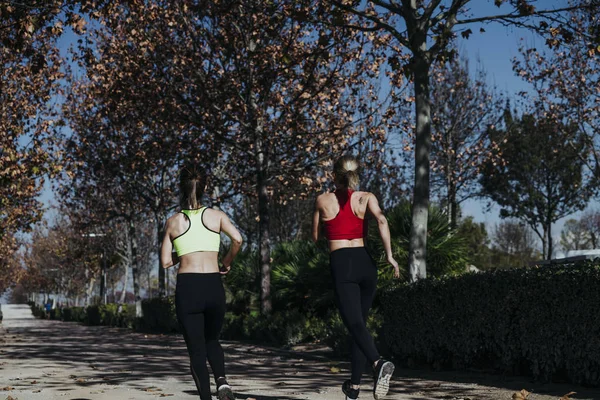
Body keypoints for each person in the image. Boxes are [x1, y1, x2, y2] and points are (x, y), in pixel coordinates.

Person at [312, 154, 399, 400]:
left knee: (355, 325)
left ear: (333, 175)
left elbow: (315, 236)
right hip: (366, 263)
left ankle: (378, 362)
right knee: (359, 325)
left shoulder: (322, 200)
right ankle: (354, 387)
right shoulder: (367, 197)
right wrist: (390, 256)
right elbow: (381, 220)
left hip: (343, 264)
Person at [161, 162, 243, 400]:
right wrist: (226, 262)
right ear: (205, 186)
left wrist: (184, 253)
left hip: (188, 288)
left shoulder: (173, 222)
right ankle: (222, 381)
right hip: (213, 285)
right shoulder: (217, 216)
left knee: (196, 350)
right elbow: (237, 239)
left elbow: (166, 262)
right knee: (212, 340)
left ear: (181, 187)